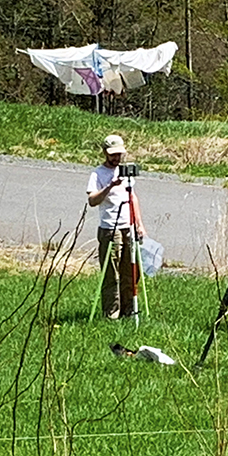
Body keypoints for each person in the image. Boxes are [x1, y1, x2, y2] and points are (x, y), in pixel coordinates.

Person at [87, 134, 147, 319]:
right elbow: (92, 200)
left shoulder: (125, 171)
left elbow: (132, 197)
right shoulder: (98, 174)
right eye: (113, 154)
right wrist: (110, 187)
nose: (116, 158)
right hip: (109, 229)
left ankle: (129, 310)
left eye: (119, 154)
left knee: (130, 270)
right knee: (112, 273)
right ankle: (112, 313)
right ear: (105, 153)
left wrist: (139, 223)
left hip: (128, 227)